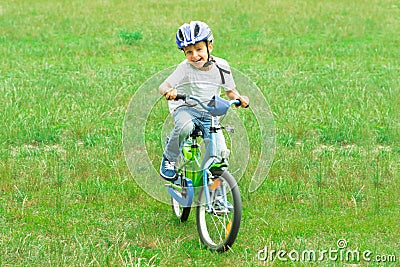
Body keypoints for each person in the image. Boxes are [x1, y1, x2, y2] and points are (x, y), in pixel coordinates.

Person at [158, 21, 249, 181]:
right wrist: (168, 91)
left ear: (210, 46)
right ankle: (169, 159)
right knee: (185, 127)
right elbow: (164, 85)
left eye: (199, 49)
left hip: (209, 111)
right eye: (188, 52)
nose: (194, 55)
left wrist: (239, 98)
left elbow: (230, 91)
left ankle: (217, 197)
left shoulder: (222, 66)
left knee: (220, 158)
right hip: (185, 108)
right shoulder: (184, 68)